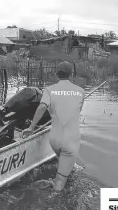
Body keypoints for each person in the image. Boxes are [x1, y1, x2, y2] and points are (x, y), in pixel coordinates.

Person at [21, 61, 85, 192]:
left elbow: (42, 106)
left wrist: (31, 128)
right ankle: (54, 198)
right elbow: (76, 111)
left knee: (64, 163)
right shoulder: (81, 91)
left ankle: (65, 171)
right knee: (60, 183)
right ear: (71, 74)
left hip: (54, 140)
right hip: (71, 140)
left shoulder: (49, 90)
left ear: (57, 74)